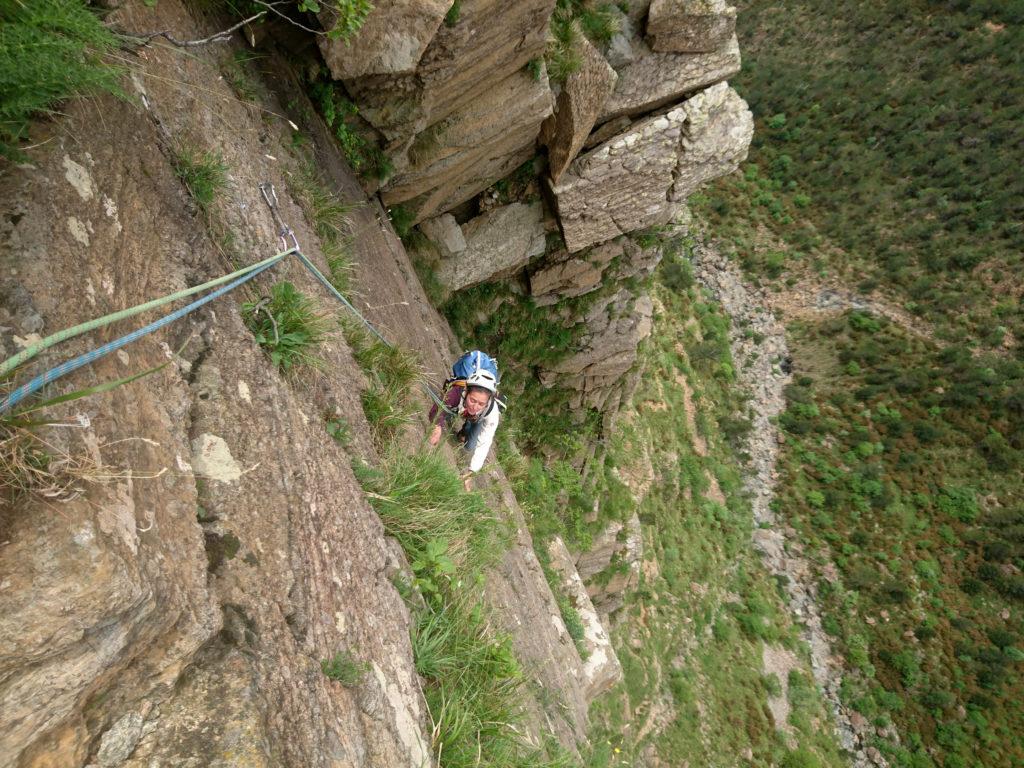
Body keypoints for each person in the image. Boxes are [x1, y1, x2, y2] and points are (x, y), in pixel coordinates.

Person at [428, 367, 500, 491]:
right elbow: (436, 409)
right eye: (473, 400)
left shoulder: (492, 413)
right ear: (466, 391)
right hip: (459, 406)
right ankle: (460, 417)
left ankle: (466, 428)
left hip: (477, 419)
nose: (476, 406)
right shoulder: (456, 392)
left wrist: (471, 471)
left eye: (481, 404)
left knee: (469, 446)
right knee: (446, 415)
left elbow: (484, 443)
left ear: (488, 402)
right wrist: (437, 426)